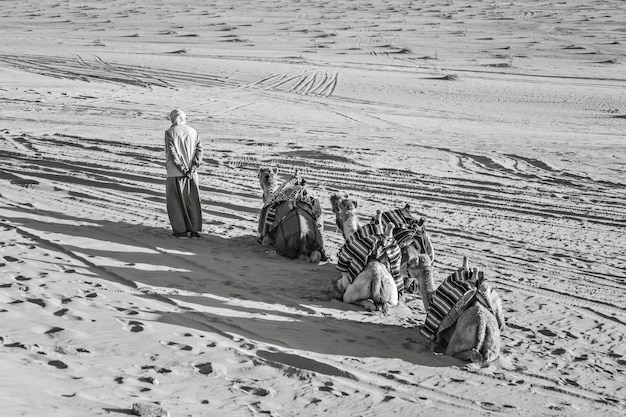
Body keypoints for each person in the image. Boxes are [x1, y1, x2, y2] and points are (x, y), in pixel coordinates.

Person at [164, 109, 204, 238]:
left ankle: (180, 231)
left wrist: (183, 169)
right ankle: (194, 230)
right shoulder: (193, 131)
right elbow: (199, 150)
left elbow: (173, 153)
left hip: (175, 173)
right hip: (192, 174)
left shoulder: (170, 132)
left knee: (175, 203)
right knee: (192, 201)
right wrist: (192, 168)